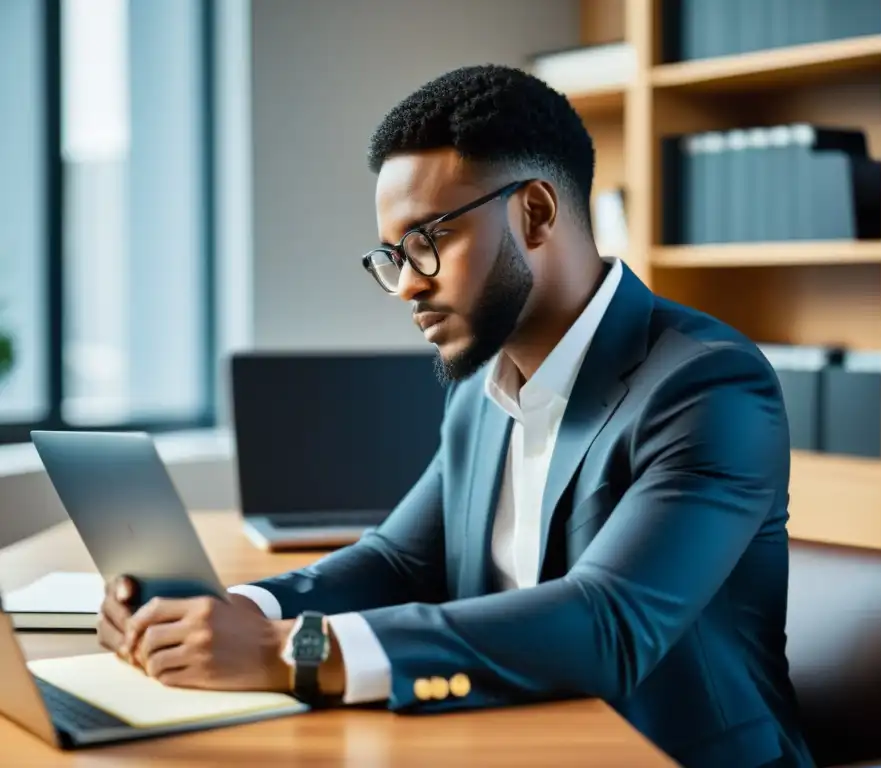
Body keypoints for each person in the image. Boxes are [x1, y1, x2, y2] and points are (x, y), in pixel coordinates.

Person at [98, 64, 816, 767]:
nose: (405, 285)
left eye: (427, 241)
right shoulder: (482, 387)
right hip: (504, 738)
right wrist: (237, 611)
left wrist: (287, 651)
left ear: (534, 212)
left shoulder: (706, 383)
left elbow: (610, 624)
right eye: (392, 255)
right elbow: (398, 560)